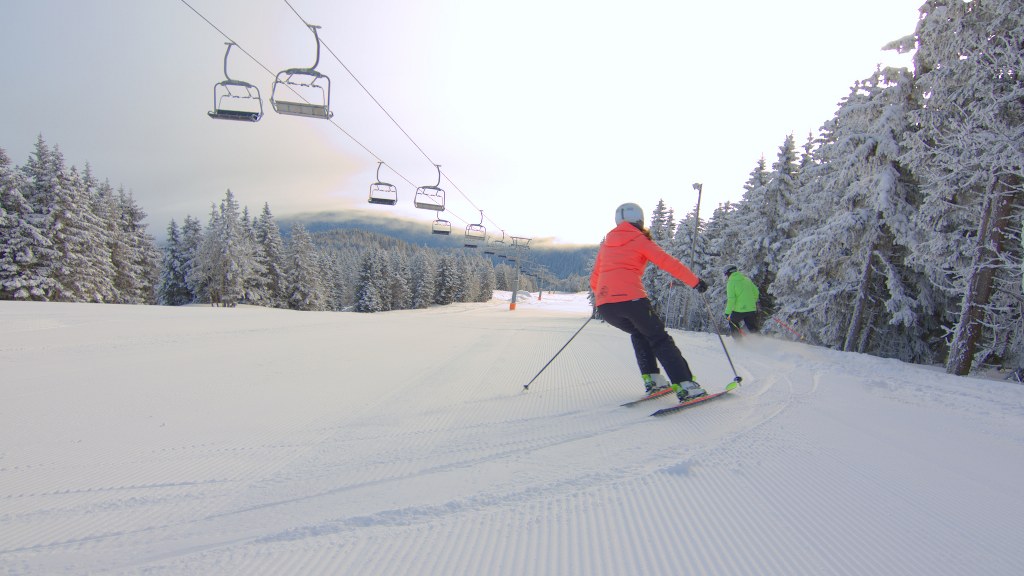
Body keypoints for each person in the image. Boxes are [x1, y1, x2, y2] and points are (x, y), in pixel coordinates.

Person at [590, 203, 710, 402]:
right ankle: (686, 385)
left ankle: (653, 380)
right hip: (632, 300)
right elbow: (667, 262)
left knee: (640, 333)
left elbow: (595, 276)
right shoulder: (639, 240)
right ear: (640, 220)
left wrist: (604, 297)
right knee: (659, 338)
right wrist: (695, 282)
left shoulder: (607, 244)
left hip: (606, 305)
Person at [723, 265, 760, 336]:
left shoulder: (731, 282)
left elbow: (731, 299)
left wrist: (727, 312)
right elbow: (756, 292)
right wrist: (751, 302)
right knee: (752, 327)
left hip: (739, 310)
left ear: (728, 273)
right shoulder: (747, 279)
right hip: (751, 309)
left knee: (733, 322)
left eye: (726, 274)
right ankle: (760, 342)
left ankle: (738, 342)